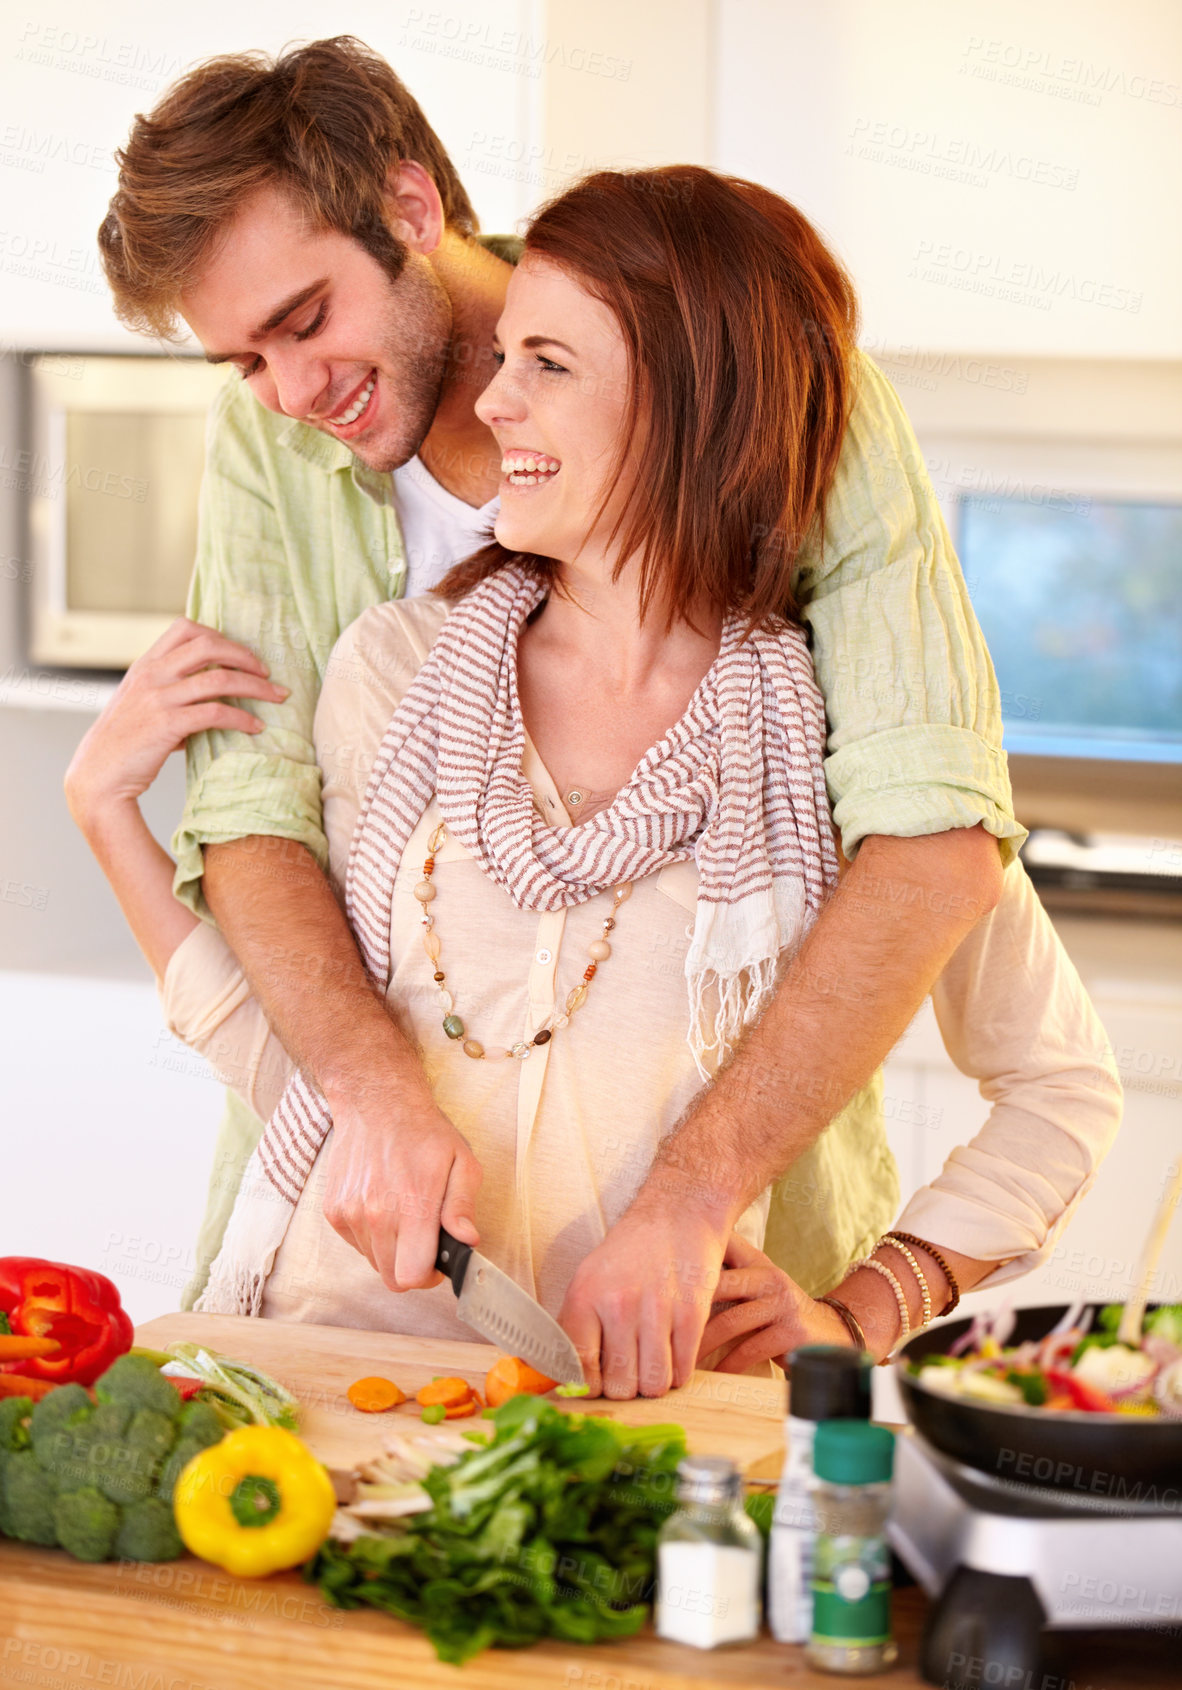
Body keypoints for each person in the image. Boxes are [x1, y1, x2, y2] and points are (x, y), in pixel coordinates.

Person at [71, 163, 1121, 1393]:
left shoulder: (834, 757)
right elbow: (309, 1070)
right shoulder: (398, 670)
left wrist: (861, 1310)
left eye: (547, 367)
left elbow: (1061, 1088)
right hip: (332, 1376)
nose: (494, 402)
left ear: (693, 406)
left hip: (638, 1423)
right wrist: (107, 820)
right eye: (504, 355)